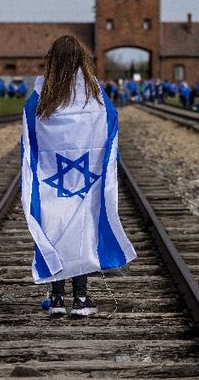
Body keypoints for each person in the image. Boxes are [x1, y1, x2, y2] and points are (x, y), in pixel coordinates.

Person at [21, 35, 136, 316]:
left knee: (55, 230)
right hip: (86, 178)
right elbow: (110, 124)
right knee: (82, 232)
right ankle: (81, 299)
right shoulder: (95, 94)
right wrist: (110, 162)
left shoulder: (40, 95)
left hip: (52, 178)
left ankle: (57, 299)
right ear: (81, 60)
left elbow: (29, 134)